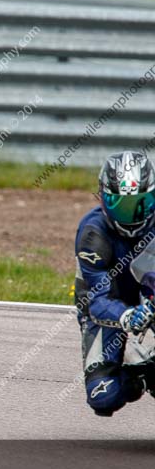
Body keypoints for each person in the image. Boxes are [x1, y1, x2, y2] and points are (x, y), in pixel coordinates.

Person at [75, 150, 155, 416]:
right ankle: (141, 378)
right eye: (120, 204)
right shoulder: (92, 232)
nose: (131, 215)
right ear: (103, 198)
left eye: (140, 203)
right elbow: (95, 300)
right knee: (103, 397)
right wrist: (127, 316)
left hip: (150, 293)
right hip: (109, 306)